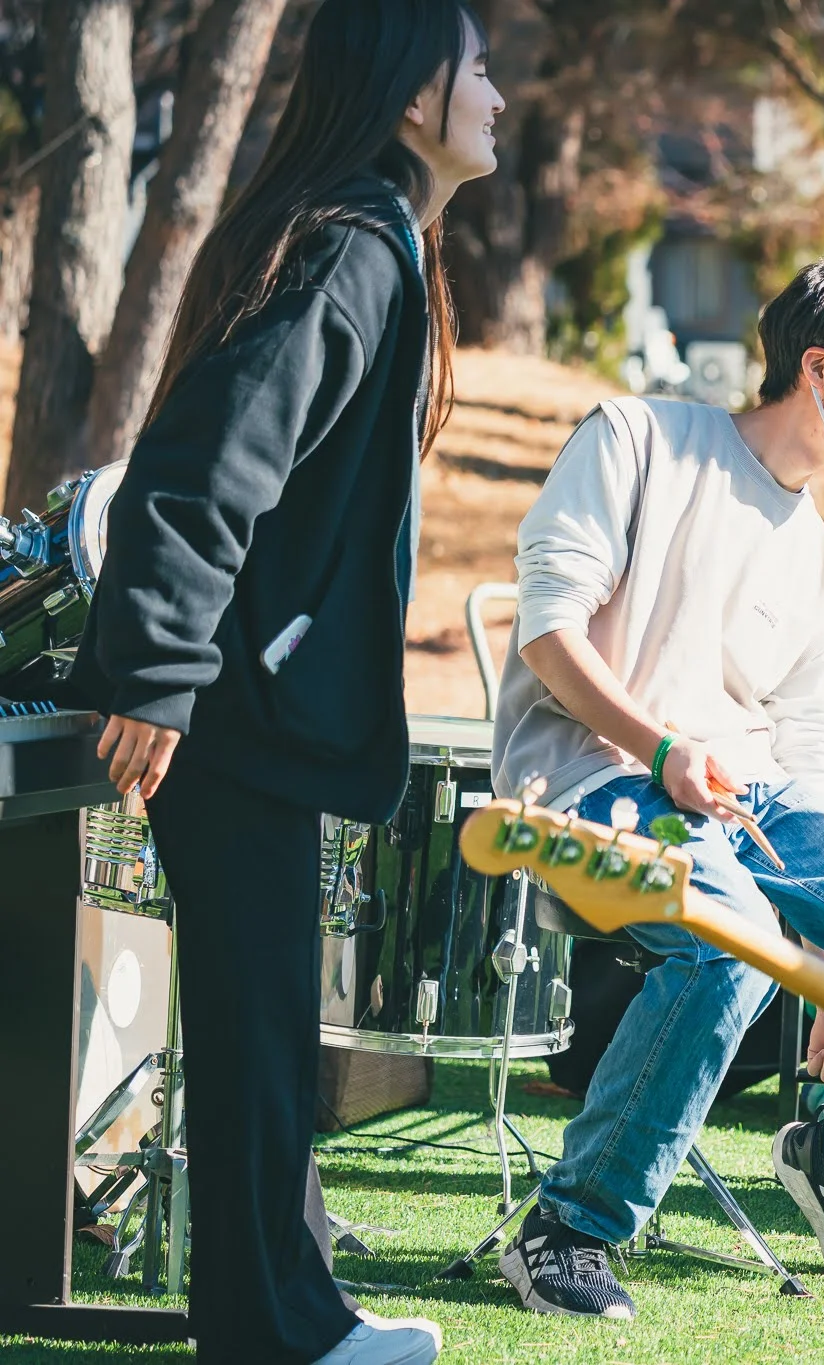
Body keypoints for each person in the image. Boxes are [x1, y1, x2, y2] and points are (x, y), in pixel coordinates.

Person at [67, 3, 502, 1362]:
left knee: (263, 1029)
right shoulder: (351, 249)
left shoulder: (371, 238)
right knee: (256, 1037)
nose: (499, 94)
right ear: (416, 90)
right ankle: (278, 1333)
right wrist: (158, 673)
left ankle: (294, 1312)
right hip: (230, 717)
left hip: (250, 710)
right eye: (480, 67)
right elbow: (198, 472)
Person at [490, 257, 824, 1317]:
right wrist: (662, 748)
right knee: (729, 936)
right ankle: (569, 1226)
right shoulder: (635, 439)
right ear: (820, 371)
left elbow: (810, 775)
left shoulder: (822, 574)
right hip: (586, 779)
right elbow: (547, 634)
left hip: (750, 800)